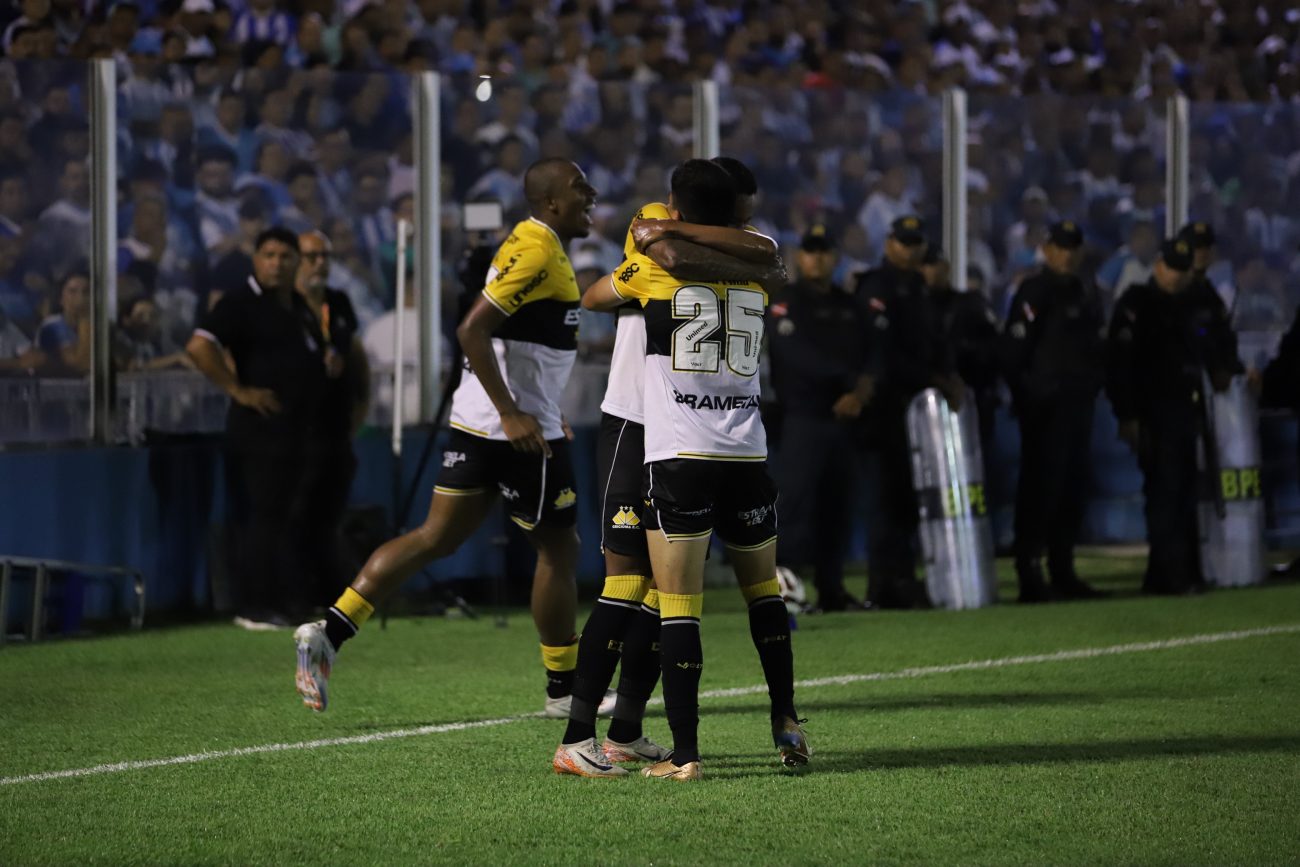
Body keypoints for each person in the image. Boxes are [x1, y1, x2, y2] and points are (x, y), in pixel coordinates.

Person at [293, 159, 597, 715]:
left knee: (435, 536)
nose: (592, 195)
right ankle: (564, 691)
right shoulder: (537, 249)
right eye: (580, 188)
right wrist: (514, 414)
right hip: (516, 431)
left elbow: (516, 340)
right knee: (560, 548)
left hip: (480, 419)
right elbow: (472, 329)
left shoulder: (531, 242)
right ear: (552, 201)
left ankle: (329, 631)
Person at [554, 157, 797, 779]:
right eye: (744, 206)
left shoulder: (707, 246)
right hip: (637, 422)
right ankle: (579, 734)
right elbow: (605, 291)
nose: (749, 217)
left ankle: (627, 730)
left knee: (666, 593)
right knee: (630, 582)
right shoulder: (658, 228)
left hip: (678, 432)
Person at [186, 227, 327, 628]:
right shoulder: (241, 302)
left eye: (285, 256)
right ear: (256, 259)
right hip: (260, 432)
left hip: (297, 431)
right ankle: (253, 605)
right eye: (269, 255)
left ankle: (284, 600)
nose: (277, 264)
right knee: (262, 517)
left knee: (285, 517)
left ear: (296, 262)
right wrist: (238, 390)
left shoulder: (297, 304)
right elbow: (199, 345)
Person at [1106, 238, 1243, 596]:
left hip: (1185, 408)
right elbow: (1120, 364)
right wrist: (1128, 414)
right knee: (1165, 493)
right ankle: (1170, 574)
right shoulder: (1137, 303)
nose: (1177, 277)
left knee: (1183, 492)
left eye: (1184, 270)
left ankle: (1176, 572)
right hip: (1153, 411)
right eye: (1173, 268)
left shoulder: (1191, 303)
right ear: (1158, 265)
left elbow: (1210, 345)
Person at [855, 216, 962, 609]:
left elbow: (932, 341)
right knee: (885, 501)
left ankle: (903, 578)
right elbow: (883, 354)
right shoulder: (876, 286)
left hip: (917, 411)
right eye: (904, 241)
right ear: (889, 244)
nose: (911, 249)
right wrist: (935, 376)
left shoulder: (918, 287)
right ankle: (882, 585)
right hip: (884, 410)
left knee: (905, 500)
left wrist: (945, 374)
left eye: (916, 242)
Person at [767, 225, 872, 613]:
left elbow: (872, 352)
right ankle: (784, 588)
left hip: (845, 418)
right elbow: (796, 355)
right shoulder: (786, 301)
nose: (818, 258)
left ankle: (832, 588)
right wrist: (849, 382)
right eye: (810, 252)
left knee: (838, 505)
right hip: (803, 417)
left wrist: (861, 392)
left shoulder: (850, 304)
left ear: (835, 257)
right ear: (800, 258)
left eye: (824, 251)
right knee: (794, 504)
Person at [1001, 221, 1106, 602]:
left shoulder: (1083, 291)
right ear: (1046, 249)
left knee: (1070, 491)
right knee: (1039, 491)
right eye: (1060, 247)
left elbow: (1095, 347)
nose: (1067, 254)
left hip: (1077, 406)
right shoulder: (1034, 290)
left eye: (1073, 247)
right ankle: (1029, 572)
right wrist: (1029, 398)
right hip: (1044, 409)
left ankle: (1063, 569)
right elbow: (1013, 353)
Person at [294, 230, 370, 605]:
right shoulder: (285, 306)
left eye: (324, 256)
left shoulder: (338, 302)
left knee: (329, 518)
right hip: (295, 435)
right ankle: (293, 592)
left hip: (336, 431)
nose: (319, 264)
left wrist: (361, 408)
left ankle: (330, 596)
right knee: (295, 516)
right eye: (310, 256)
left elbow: (355, 357)